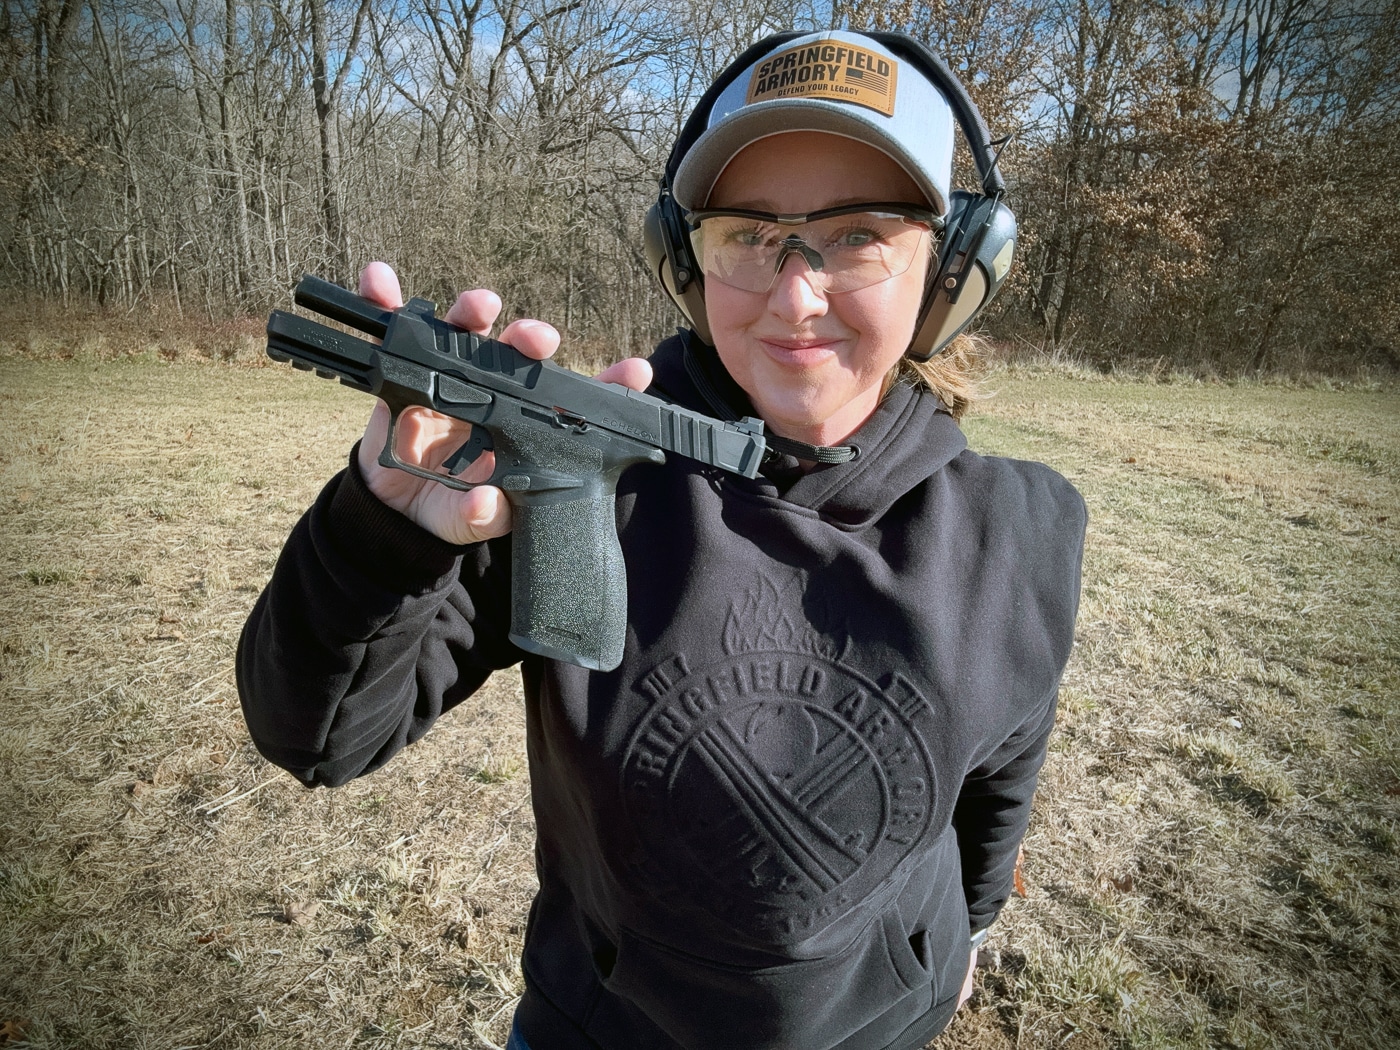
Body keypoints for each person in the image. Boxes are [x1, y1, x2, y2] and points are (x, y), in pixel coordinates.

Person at [238, 28, 1086, 1050]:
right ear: (686, 261)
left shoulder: (1024, 528)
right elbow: (318, 740)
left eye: (860, 232)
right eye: (746, 232)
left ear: (950, 271)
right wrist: (377, 533)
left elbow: (1001, 771)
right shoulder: (582, 477)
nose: (795, 293)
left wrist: (975, 928)